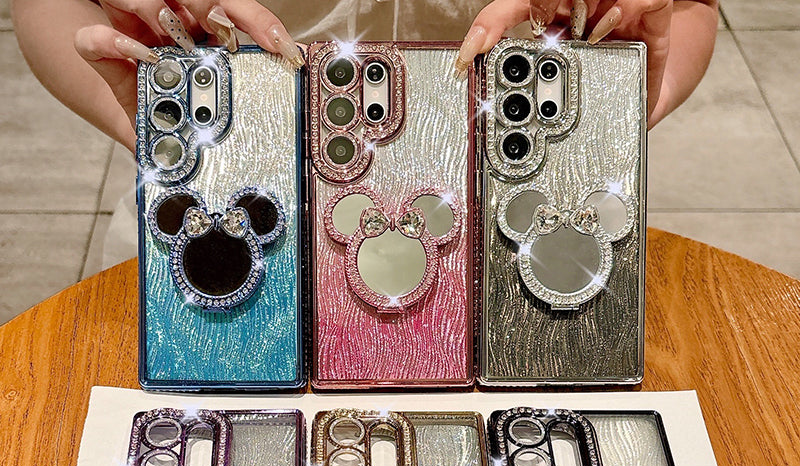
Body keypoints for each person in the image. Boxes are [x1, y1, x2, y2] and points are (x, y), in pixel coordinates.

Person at [12, 0, 718, 153]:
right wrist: (135, 113)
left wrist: (625, 105)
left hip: (532, 214)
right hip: (222, 203)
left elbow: (689, 9)